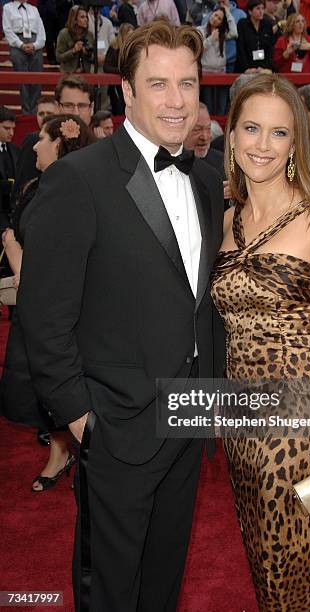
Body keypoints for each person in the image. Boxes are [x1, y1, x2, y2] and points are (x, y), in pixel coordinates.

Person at [15, 19, 224, 611]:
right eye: (158, 84)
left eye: (187, 83)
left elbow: (193, 301)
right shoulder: (79, 180)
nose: (177, 100)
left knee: (164, 580)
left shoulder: (207, 182)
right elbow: (44, 312)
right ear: (127, 92)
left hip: (189, 420)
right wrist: (80, 414)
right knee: (109, 587)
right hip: (116, 423)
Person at [211, 72, 310, 611]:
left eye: (279, 133)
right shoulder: (227, 221)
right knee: (265, 560)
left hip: (297, 419)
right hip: (240, 419)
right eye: (252, 128)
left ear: (296, 141)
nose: (263, 145)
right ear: (231, 136)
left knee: (291, 565)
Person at [1, 114, 95, 492]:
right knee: (38, 387)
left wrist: (13, 249)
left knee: (57, 380)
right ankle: (61, 450)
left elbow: (53, 257)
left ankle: (70, 453)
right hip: (28, 308)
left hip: (52, 307)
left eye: (41, 138)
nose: (35, 145)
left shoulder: (73, 192)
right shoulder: (34, 185)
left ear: (59, 143)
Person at [2, 0, 46, 115]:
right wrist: (20, 44)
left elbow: (41, 31)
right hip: (17, 43)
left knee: (37, 80)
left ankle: (36, 111)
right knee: (23, 81)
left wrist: (36, 45)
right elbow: (7, 29)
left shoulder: (34, 9)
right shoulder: (8, 7)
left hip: (34, 43)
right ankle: (26, 112)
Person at [13, 95, 59, 198]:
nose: (45, 117)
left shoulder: (65, 139)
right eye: (41, 113)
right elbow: (22, 179)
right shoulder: (32, 140)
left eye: (49, 113)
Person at [197, 5, 237, 113]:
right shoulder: (199, 30)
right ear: (211, 14)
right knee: (208, 107)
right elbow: (198, 50)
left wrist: (228, 13)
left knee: (222, 107)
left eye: (219, 19)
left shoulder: (222, 33)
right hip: (206, 73)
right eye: (215, 15)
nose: (215, 19)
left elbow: (234, 33)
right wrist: (211, 39)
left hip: (221, 72)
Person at [103, 22, 135, 115]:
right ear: (122, 35)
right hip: (116, 87)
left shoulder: (134, 49)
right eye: (128, 35)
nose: (130, 38)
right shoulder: (114, 48)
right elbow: (106, 67)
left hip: (130, 85)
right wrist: (121, 70)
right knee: (119, 110)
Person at [235, 0, 276, 72]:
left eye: (263, 8)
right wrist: (247, 68)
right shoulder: (242, 24)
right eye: (258, 8)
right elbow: (241, 48)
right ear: (250, 11)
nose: (261, 11)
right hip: (246, 68)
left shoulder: (267, 24)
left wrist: (264, 67)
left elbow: (270, 48)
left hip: (263, 68)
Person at [184, 101, 224, 173]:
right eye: (197, 130)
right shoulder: (164, 163)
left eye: (208, 129)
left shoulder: (222, 162)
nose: (205, 137)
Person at [56, 5, 94, 73]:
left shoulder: (89, 35)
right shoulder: (64, 34)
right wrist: (74, 50)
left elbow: (94, 58)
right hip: (68, 74)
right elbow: (58, 57)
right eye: (82, 17)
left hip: (86, 74)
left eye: (86, 17)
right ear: (74, 19)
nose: (86, 19)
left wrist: (88, 53)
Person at [0, 107, 20, 228]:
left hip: (11, 213)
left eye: (13, 129)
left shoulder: (15, 149)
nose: (11, 133)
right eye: (6, 128)